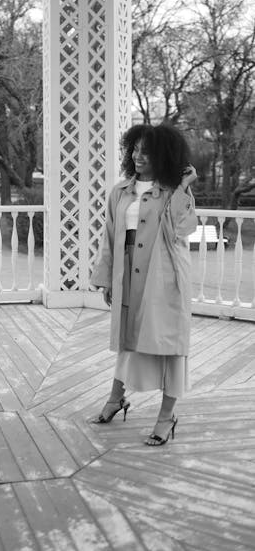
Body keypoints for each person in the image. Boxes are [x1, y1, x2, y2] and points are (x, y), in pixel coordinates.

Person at [91, 122, 197, 446]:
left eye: (146, 152)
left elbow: (180, 229)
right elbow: (109, 238)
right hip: (128, 274)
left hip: (162, 278)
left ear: (162, 156)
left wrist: (184, 185)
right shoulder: (120, 191)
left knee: (169, 347)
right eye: (135, 149)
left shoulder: (173, 192)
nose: (138, 156)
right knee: (128, 340)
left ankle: (167, 417)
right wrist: (107, 278)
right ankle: (116, 399)